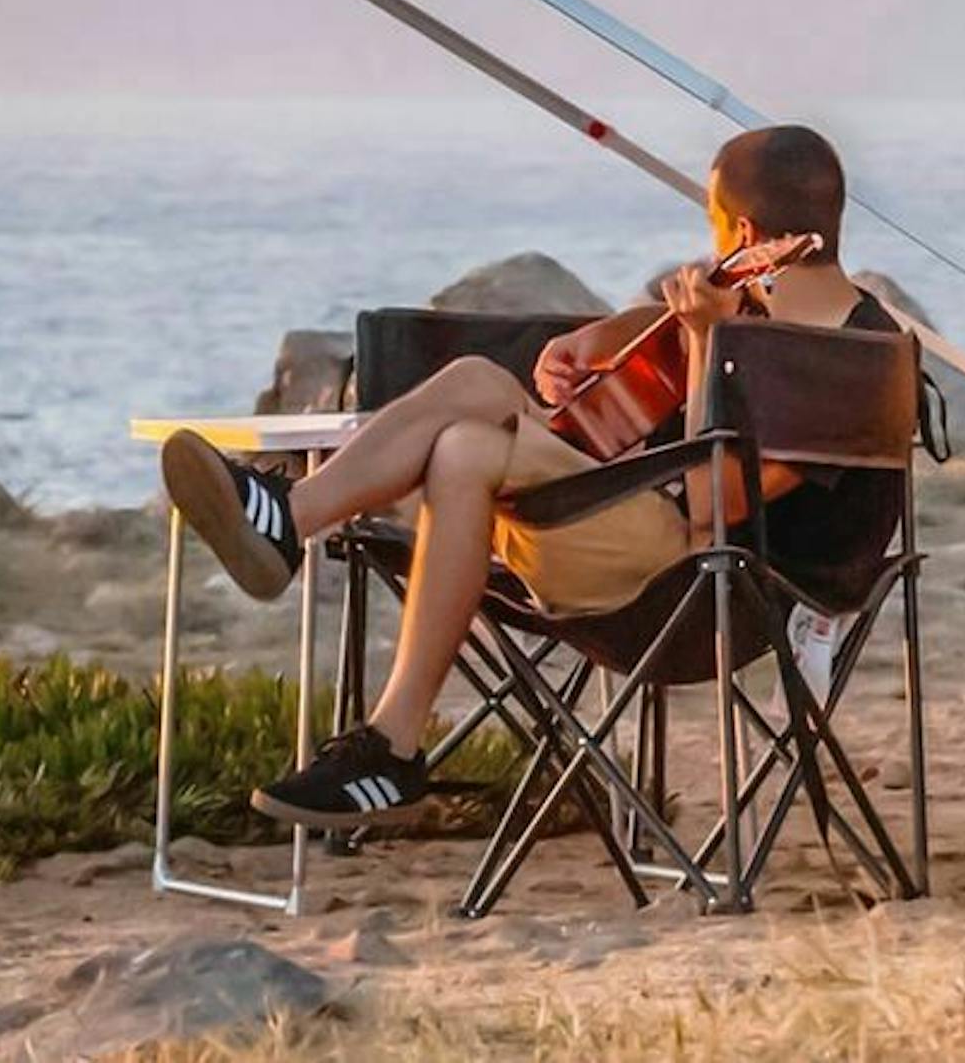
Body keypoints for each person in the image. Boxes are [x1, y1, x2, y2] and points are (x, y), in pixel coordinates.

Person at [160, 123, 904, 827]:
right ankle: (367, 694)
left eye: (711, 224)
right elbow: (658, 344)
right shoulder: (759, 308)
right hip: (643, 540)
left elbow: (712, 504)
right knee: (472, 408)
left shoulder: (850, 366)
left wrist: (708, 342)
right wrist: (594, 338)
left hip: (708, 589)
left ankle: (301, 549)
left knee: (470, 431)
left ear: (743, 233)